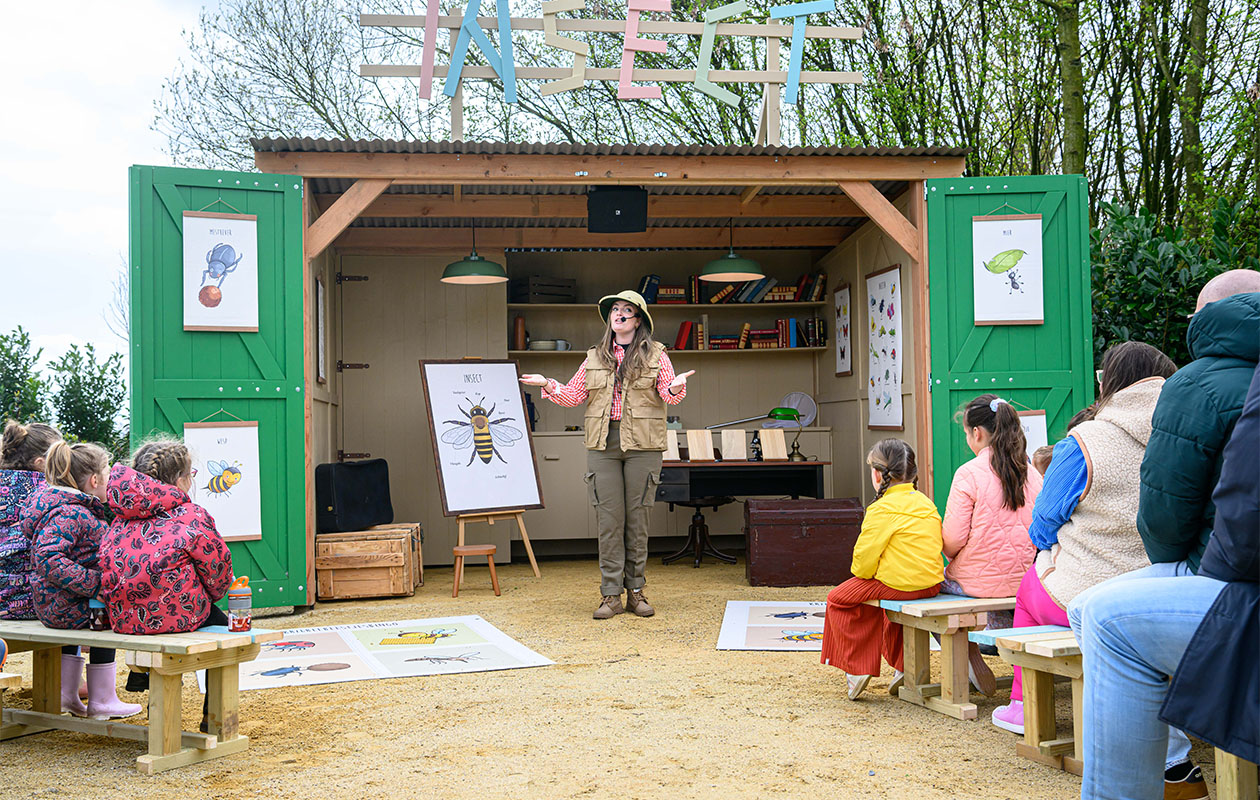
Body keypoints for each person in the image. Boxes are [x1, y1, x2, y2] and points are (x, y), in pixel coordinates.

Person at [1075, 360, 1259, 800]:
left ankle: (1173, 766)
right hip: (1198, 566)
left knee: (1093, 612)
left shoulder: (1193, 387)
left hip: (1204, 567)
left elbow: (1164, 522)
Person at [990, 341, 1177, 735]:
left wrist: (1051, 549)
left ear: (1111, 382)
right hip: (1160, 593)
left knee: (1029, 588)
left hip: (1082, 595)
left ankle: (1024, 706)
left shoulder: (1086, 440)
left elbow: (1043, 521)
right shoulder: (1181, 432)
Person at [520, 290, 693, 620]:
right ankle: (611, 596)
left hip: (643, 445)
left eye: (626, 310)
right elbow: (573, 396)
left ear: (638, 319)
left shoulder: (657, 354)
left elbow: (669, 395)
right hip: (603, 445)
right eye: (615, 309)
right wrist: (548, 384)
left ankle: (637, 593)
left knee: (638, 522)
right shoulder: (595, 356)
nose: (619, 314)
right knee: (609, 522)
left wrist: (674, 387)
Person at [1137, 276, 1260, 575]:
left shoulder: (1192, 385)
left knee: (1087, 609)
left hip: (1225, 569)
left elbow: (1165, 515)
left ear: (1207, 315)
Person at [20, 441, 141, 720]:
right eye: (108, 475)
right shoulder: (71, 512)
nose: (111, 481)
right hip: (70, 604)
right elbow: (49, 558)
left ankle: (67, 694)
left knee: (99, 610)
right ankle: (102, 700)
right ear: (95, 480)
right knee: (110, 616)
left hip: (57, 604)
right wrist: (96, 583)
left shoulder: (67, 507)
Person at [819, 439, 942, 701]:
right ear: (913, 472)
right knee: (889, 606)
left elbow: (862, 565)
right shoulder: (925, 502)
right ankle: (901, 667)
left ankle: (857, 668)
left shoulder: (881, 508)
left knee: (838, 599)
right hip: (930, 583)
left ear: (877, 475)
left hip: (900, 584)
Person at [940, 395, 1044, 693]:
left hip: (975, 584)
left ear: (977, 433)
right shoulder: (1032, 473)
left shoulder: (968, 474)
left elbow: (952, 543)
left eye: (966, 433)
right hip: (1024, 582)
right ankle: (1009, 648)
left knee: (930, 588)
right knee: (1002, 591)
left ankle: (971, 654)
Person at [0, 421, 63, 620]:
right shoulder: (51, 492)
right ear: (40, 463)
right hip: (30, 602)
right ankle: (70, 652)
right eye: (60, 457)